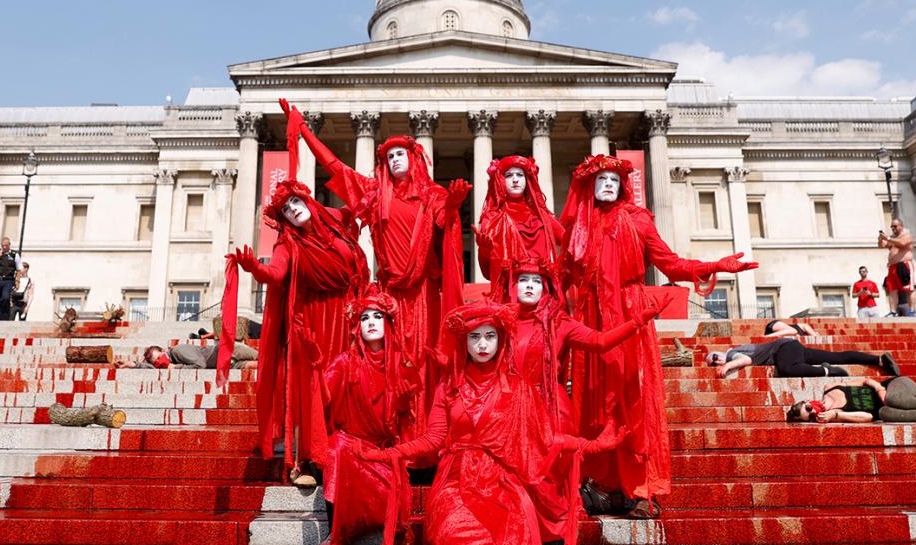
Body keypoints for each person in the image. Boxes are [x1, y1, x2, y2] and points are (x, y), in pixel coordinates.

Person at [559, 154, 757, 518]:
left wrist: (711, 265)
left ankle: (639, 489)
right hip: (592, 318)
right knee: (594, 402)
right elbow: (560, 276)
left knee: (634, 401)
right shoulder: (579, 227)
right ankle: (604, 485)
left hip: (630, 315)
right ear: (590, 184)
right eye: (600, 179)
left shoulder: (638, 221)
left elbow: (670, 264)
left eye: (614, 180)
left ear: (621, 188)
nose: (607, 184)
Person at [359, 301, 614, 545]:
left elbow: (545, 439)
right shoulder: (449, 385)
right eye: (475, 337)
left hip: (501, 483)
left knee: (508, 544)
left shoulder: (517, 387)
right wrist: (386, 454)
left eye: (489, 336)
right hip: (455, 480)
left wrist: (593, 445)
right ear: (464, 342)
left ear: (500, 340)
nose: (482, 345)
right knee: (456, 540)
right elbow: (433, 439)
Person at [286, 99, 470, 431]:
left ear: (414, 159)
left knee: (424, 364)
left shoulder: (433, 195)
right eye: (389, 156)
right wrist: (303, 130)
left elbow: (445, 228)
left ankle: (426, 441)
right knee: (390, 364)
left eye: (401, 153)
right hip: (389, 296)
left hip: (424, 294)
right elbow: (335, 167)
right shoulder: (374, 194)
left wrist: (455, 207)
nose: (395, 159)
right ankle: (394, 437)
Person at [507, 262, 669, 534]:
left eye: (537, 281)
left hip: (549, 408)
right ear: (512, 286)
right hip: (509, 407)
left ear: (547, 289)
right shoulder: (500, 321)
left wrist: (637, 321)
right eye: (523, 280)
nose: (530, 286)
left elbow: (600, 341)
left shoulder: (560, 323)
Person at [233, 178, 370, 487]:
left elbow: (364, 202)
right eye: (285, 209)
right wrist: (254, 266)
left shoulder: (336, 221)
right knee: (314, 389)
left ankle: (350, 452)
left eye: (295, 202)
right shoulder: (287, 243)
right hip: (311, 322)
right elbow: (276, 274)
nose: (293, 210)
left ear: (307, 199)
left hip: (347, 315)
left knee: (350, 384)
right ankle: (309, 459)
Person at [316, 287, 420, 545]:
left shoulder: (402, 364)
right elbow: (324, 396)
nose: (371, 322)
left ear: (388, 322)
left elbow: (408, 421)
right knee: (336, 448)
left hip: (382, 450)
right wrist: (314, 369)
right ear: (356, 327)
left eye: (377, 316)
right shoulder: (344, 362)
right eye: (364, 318)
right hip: (350, 444)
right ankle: (333, 531)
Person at [475, 156, 564, 300]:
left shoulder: (541, 217)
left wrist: (557, 271)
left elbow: (570, 242)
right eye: (509, 175)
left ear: (527, 180)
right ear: (500, 180)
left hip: (542, 295)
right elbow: (487, 272)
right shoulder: (492, 218)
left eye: (520, 175)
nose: (515, 180)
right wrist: (485, 251)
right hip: (509, 296)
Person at [787, 376, 916, 424]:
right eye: (811, 417)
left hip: (897, 385)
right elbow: (867, 417)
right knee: (885, 413)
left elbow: (865, 380)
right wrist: (838, 415)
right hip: (891, 407)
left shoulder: (829, 388)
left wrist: (880, 388)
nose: (815, 412)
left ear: (807, 401)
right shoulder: (836, 416)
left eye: (808, 409)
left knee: (890, 399)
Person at [707, 337, 899, 380]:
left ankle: (827, 371)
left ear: (721, 352)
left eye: (715, 357)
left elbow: (746, 361)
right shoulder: (734, 353)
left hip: (784, 349)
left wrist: (728, 365)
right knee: (836, 356)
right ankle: (879, 360)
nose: (716, 362)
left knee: (787, 369)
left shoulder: (733, 353)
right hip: (791, 347)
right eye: (713, 363)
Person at [116, 341, 257, 369]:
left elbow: (200, 364)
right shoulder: (163, 364)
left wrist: (176, 368)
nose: (159, 361)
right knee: (259, 366)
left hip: (227, 351)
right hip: (224, 365)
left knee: (262, 357)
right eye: (156, 362)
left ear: (164, 351)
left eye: (159, 357)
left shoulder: (177, 350)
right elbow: (149, 367)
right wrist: (131, 364)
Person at [877, 217, 916, 316]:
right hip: (893, 266)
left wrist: (889, 238)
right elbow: (882, 245)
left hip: (904, 264)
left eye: (895, 226)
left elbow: (902, 243)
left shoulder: (907, 235)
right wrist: (880, 238)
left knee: (909, 289)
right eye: (891, 226)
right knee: (892, 289)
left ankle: (912, 310)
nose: (893, 228)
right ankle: (893, 311)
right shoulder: (892, 237)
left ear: (901, 226)